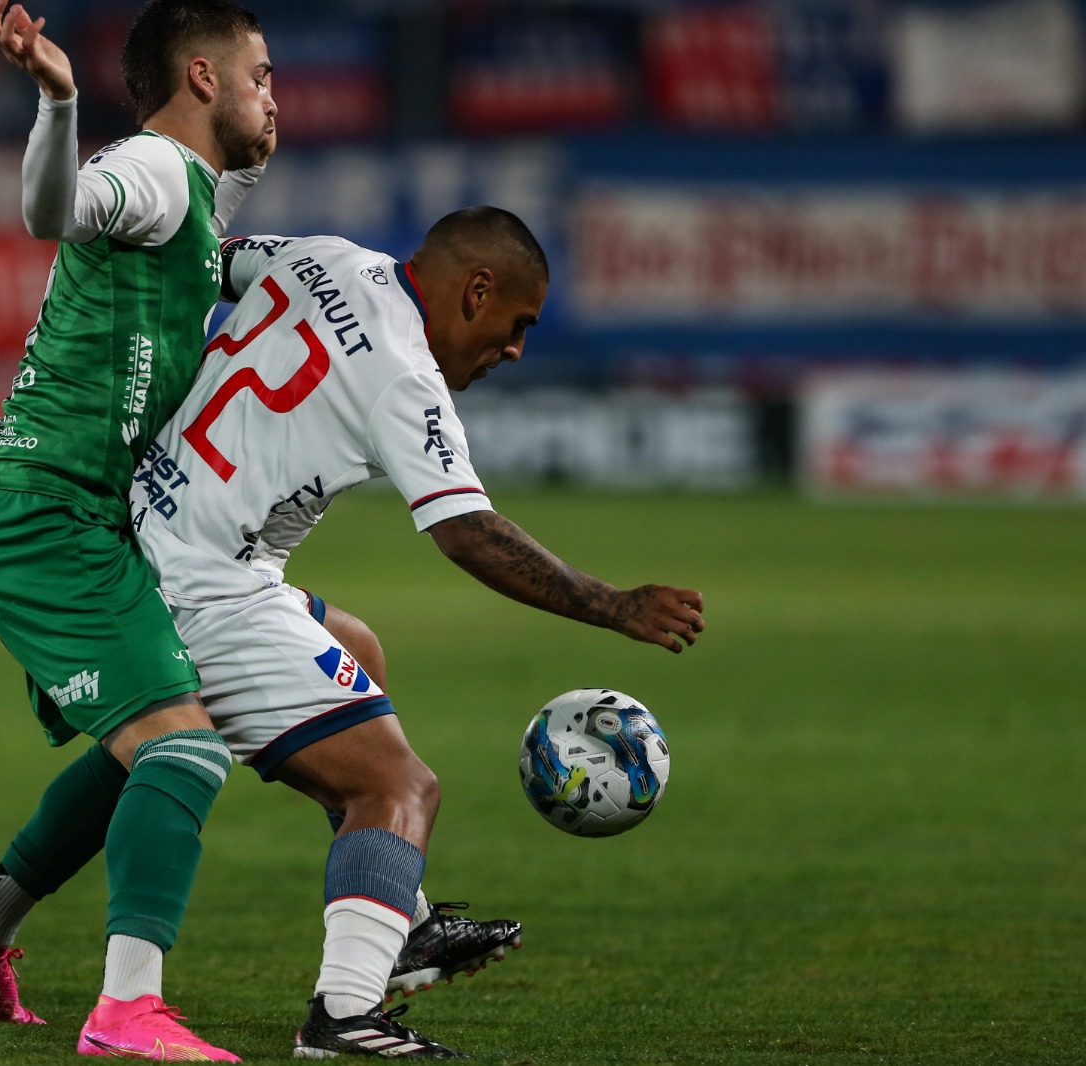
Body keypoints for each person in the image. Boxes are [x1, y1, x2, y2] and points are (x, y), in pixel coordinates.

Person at [125, 207, 706, 1057]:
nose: (513, 350)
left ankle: (410, 927)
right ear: (476, 291)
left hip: (151, 531)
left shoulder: (323, 257)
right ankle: (344, 1014)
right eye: (517, 326)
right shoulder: (404, 371)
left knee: (356, 650)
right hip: (204, 589)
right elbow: (468, 531)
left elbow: (202, 264)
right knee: (400, 790)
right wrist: (612, 605)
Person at [0, 2, 275, 1060]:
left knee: (140, 749)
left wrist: (246, 164)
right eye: (259, 74)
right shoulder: (154, 171)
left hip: (80, 518)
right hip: (44, 515)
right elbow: (54, 210)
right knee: (185, 745)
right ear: (201, 78)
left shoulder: (193, 188)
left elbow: (207, 198)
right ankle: (126, 1009)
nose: (273, 94)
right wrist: (58, 99)